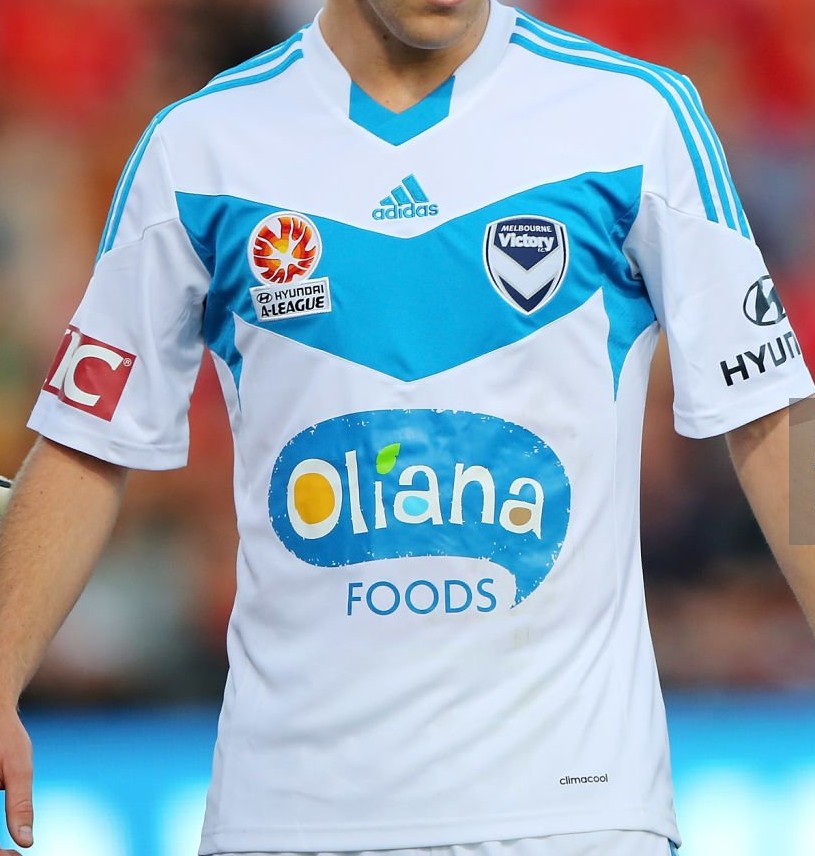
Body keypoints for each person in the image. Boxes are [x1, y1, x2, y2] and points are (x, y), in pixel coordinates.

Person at [1, 1, 814, 854]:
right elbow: (86, 443)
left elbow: (771, 419)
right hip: (289, 814)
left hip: (573, 812)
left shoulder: (635, 119)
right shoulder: (201, 148)